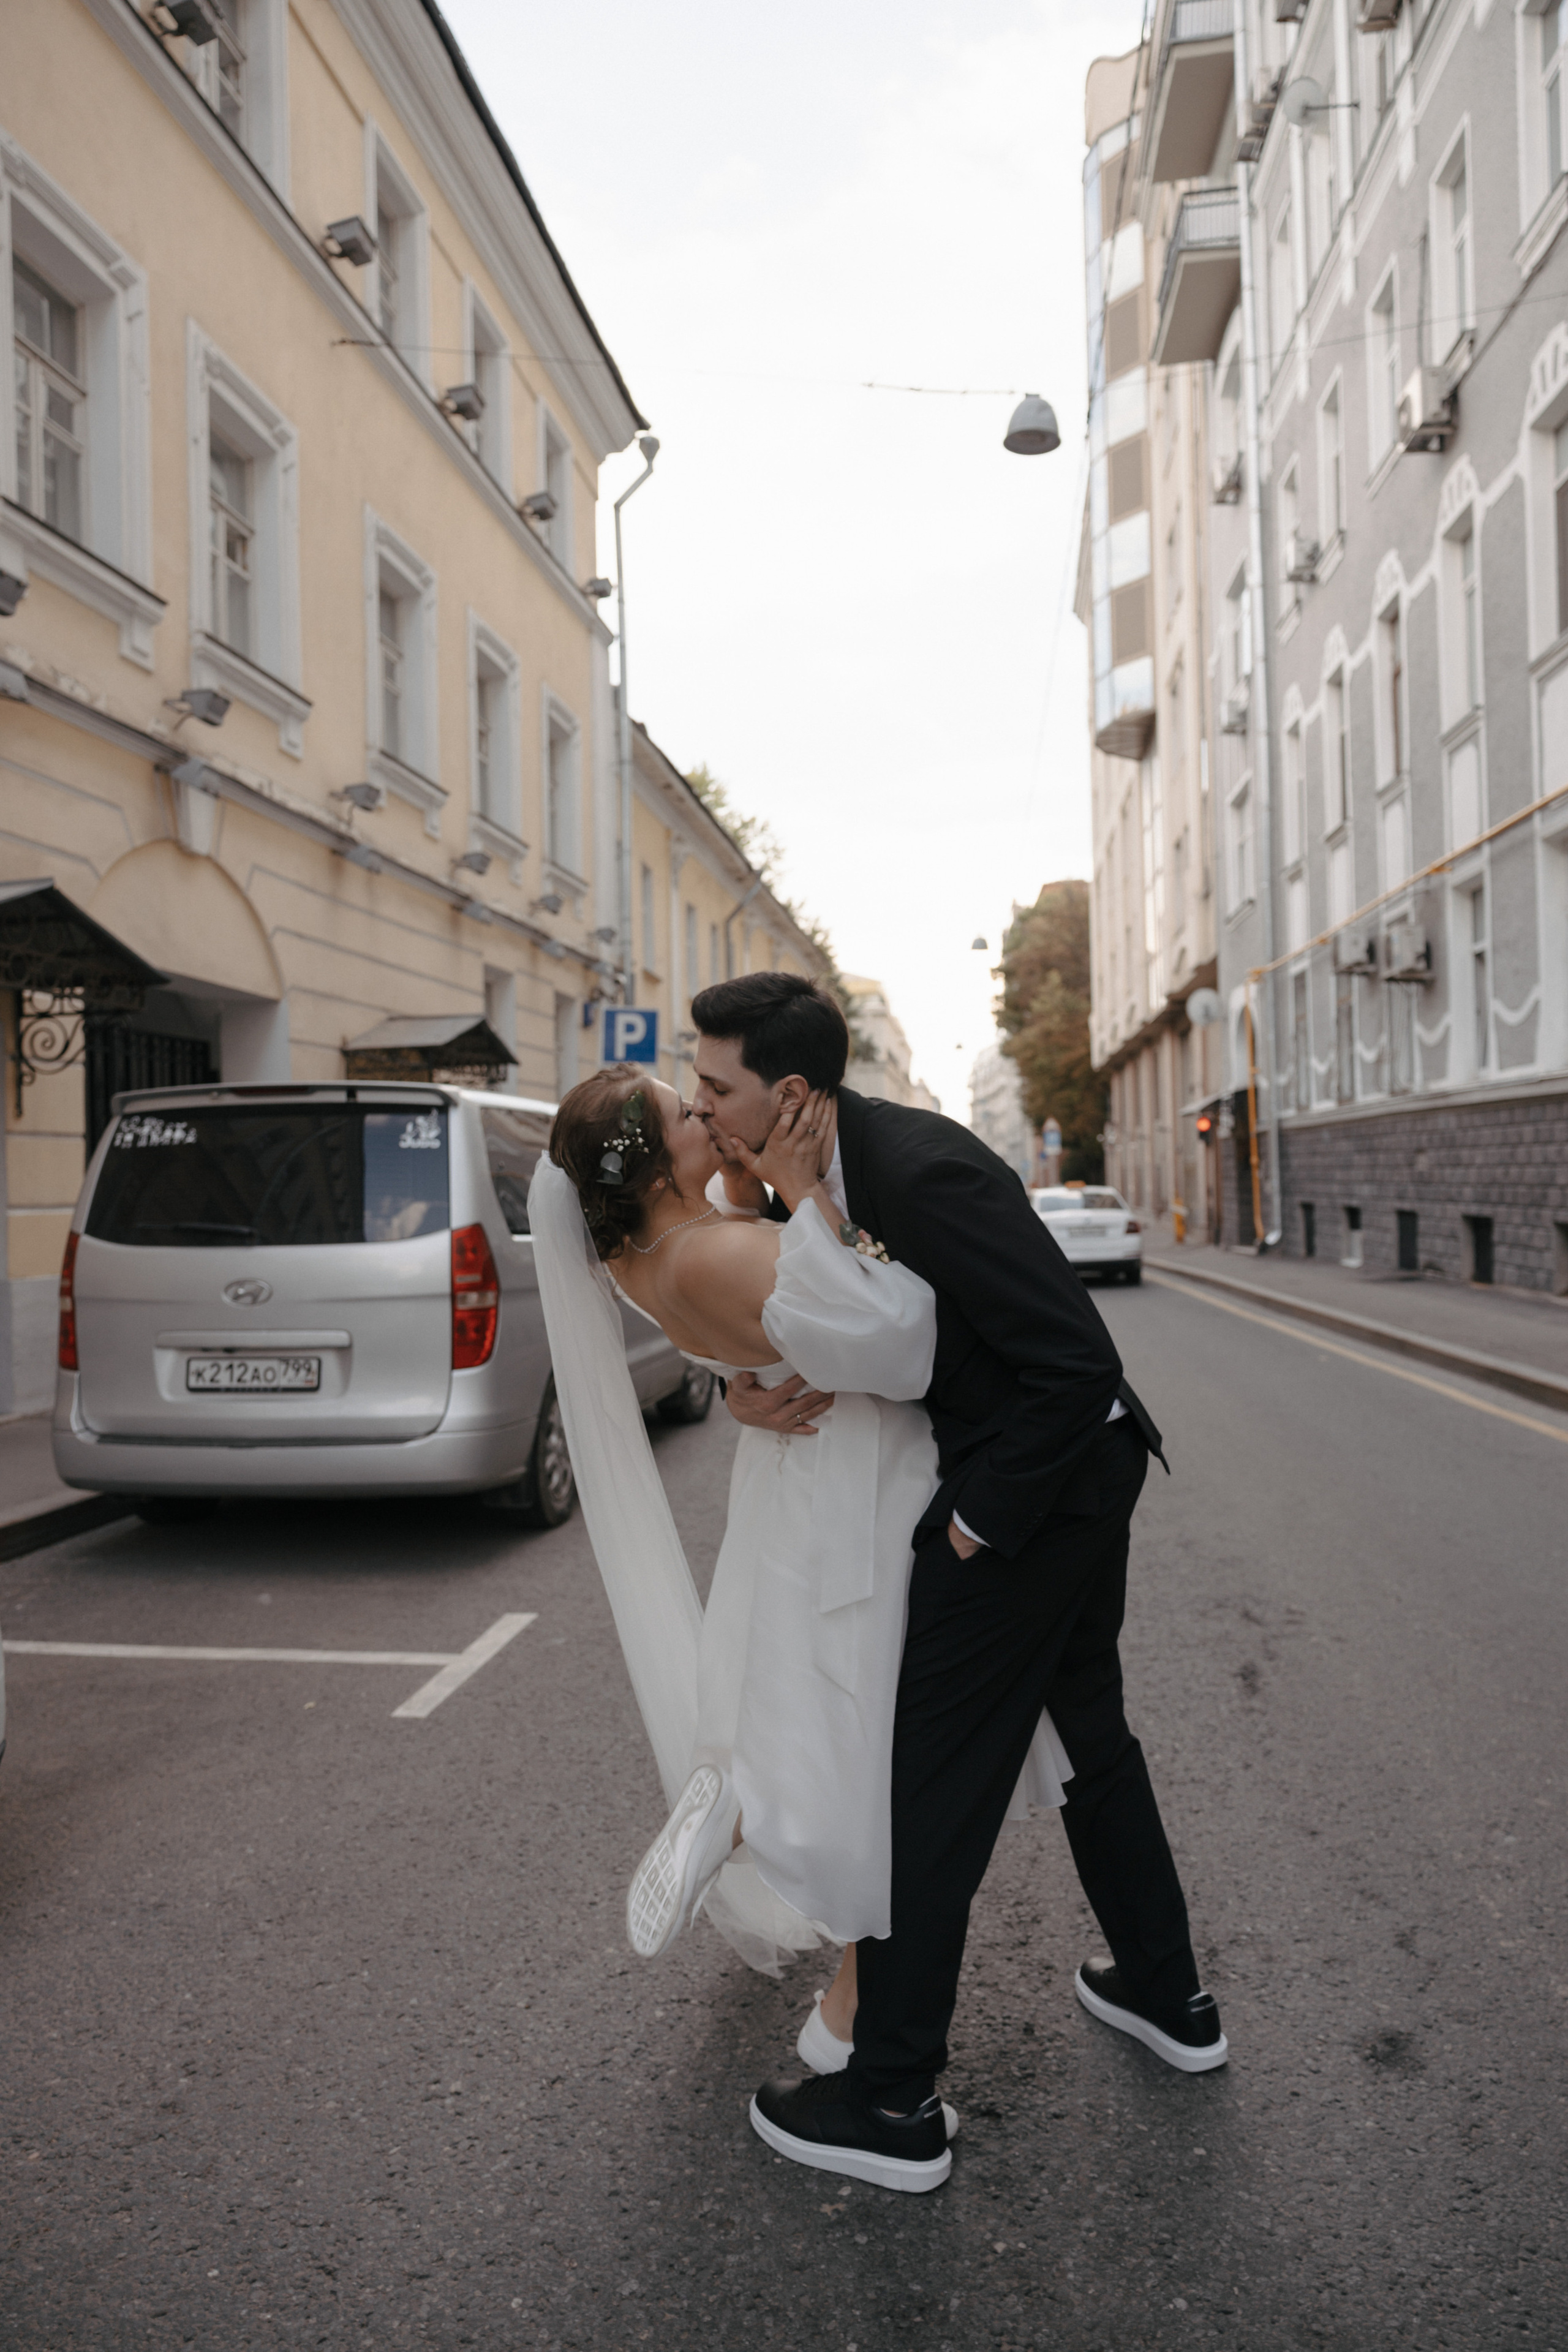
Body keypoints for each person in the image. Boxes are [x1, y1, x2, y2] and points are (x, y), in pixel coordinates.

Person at [684, 972, 1226, 2193]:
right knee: (1088, 1738)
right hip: (1065, 1485)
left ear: (787, 1093)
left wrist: (975, 1528)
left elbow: (1073, 1358)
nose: (699, 1104)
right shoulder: (835, 1169)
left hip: (1037, 1496)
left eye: (714, 1086)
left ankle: (888, 2101)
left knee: (927, 1786)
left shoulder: (915, 1166)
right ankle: (1163, 1994)